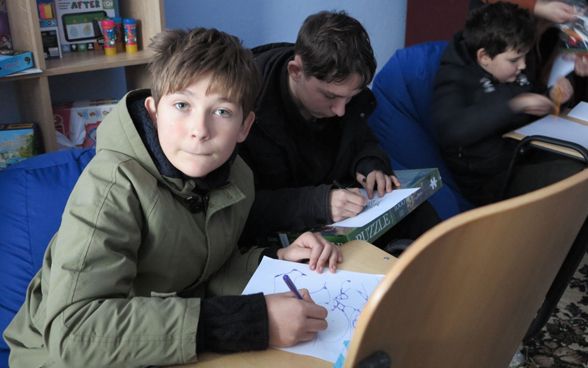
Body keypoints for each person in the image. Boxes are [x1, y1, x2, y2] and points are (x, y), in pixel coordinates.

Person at [3, 28, 342, 368]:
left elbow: (201, 272)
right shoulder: (110, 186)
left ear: (245, 126)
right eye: (182, 105)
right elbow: (74, 331)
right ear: (154, 112)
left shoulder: (237, 178)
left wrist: (274, 259)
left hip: (153, 346)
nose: (200, 129)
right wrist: (250, 321)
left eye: (222, 111)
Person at [238, 10, 440, 252]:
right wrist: (319, 203)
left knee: (423, 220)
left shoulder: (338, 85)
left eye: (350, 98)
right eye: (330, 96)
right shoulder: (243, 107)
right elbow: (241, 208)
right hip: (277, 236)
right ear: (296, 71)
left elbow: (360, 137)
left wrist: (370, 162)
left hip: (339, 211)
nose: (341, 110)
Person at [431, 2, 584, 206]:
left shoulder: (511, 59)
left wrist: (553, 95)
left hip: (522, 152)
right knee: (574, 180)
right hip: (489, 179)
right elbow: (452, 129)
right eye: (514, 60)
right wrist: (514, 105)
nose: (522, 66)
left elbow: (528, 99)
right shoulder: (455, 74)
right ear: (484, 57)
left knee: (580, 169)